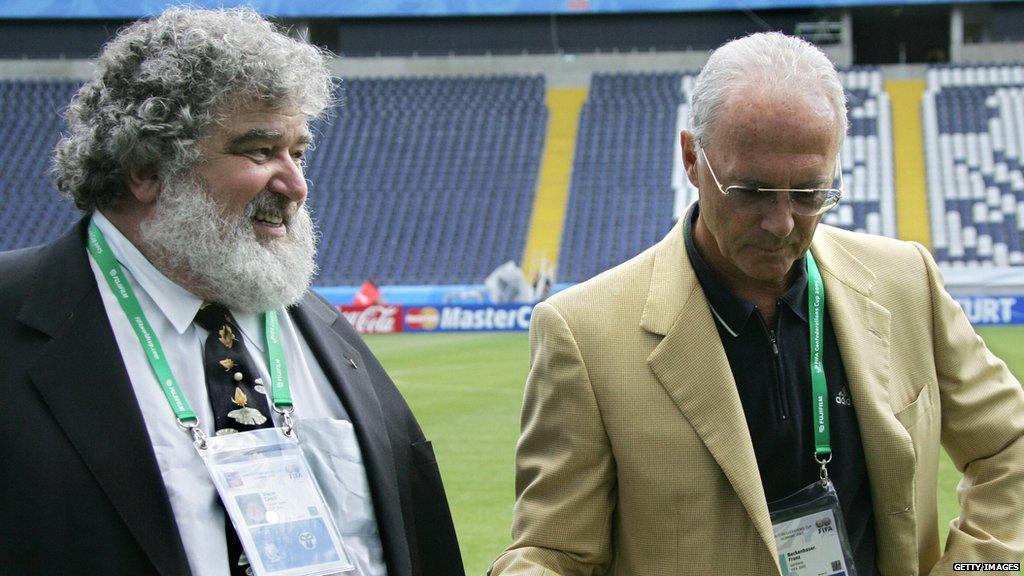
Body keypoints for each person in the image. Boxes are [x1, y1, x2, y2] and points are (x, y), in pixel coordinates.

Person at [490, 32, 1024, 576]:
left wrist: (979, 569)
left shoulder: (905, 281)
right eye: (750, 191)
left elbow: (1011, 443)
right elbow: (552, 552)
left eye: (810, 193)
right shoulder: (583, 334)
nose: (781, 223)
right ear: (692, 159)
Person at [0, 8, 463, 576]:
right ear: (146, 168)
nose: (296, 185)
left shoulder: (326, 332)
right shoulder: (13, 321)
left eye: (299, 153)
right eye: (261, 151)